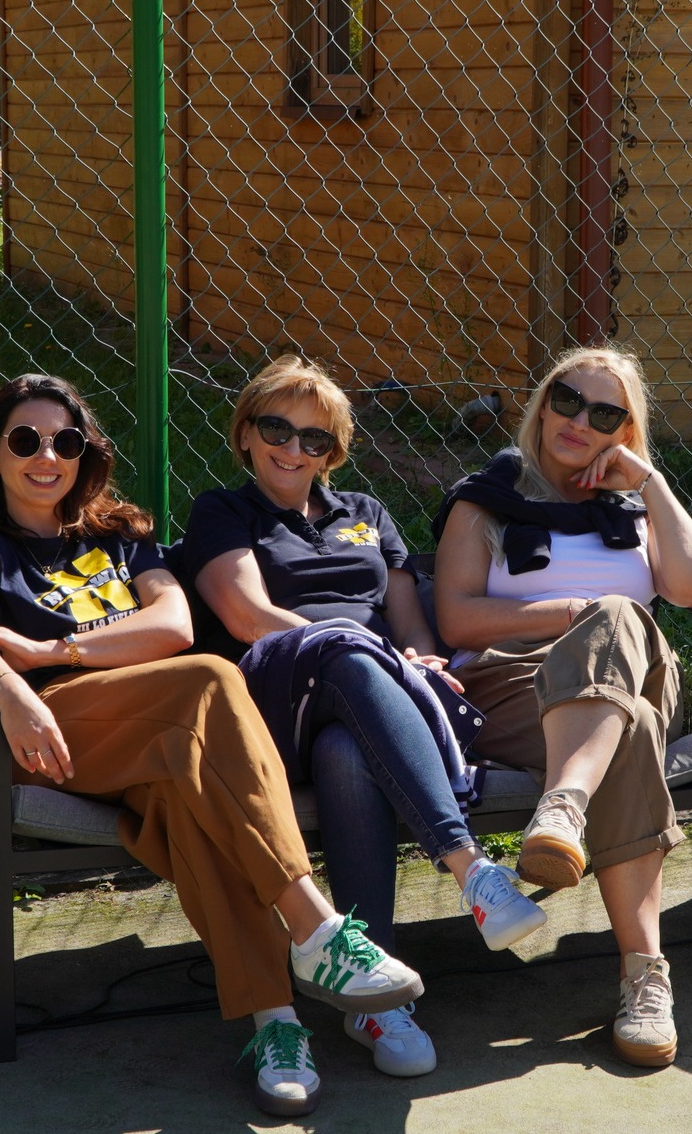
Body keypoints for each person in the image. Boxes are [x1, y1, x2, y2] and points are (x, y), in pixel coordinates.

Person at [0, 373, 424, 1117]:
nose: (46, 456)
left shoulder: (123, 537)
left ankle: (276, 1022)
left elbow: (172, 625)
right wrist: (15, 692)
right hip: (59, 730)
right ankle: (317, 926)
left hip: (153, 728)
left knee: (190, 801)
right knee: (213, 676)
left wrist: (54, 647)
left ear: (85, 453)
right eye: (25, 440)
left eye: (65, 441)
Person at [181, 356, 547, 1079]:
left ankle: (375, 998)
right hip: (272, 698)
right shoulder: (222, 511)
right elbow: (248, 616)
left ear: (334, 453)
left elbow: (412, 625)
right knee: (347, 651)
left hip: (366, 697)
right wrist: (369, 650)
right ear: (246, 433)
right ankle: (470, 868)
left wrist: (413, 656)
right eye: (276, 429)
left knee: (348, 750)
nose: (293, 449)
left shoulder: (367, 515)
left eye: (315, 439)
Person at [432, 345, 692, 1068]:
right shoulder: (485, 497)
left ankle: (562, 806)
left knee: (621, 618)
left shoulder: (636, 507)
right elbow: (457, 620)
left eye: (604, 414)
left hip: (634, 675)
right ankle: (644, 976)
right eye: (566, 400)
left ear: (624, 431)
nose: (579, 421)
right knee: (635, 726)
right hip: (514, 686)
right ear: (542, 405)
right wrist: (572, 611)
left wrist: (650, 482)